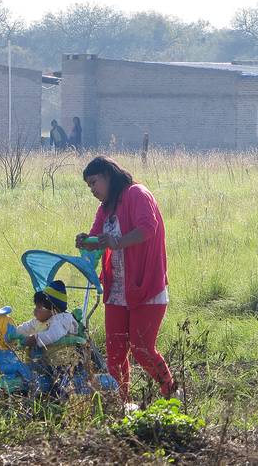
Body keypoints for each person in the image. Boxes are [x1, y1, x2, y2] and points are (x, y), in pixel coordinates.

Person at [75, 155, 178, 407]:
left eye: (94, 182)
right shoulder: (104, 209)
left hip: (146, 286)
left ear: (109, 175)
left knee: (142, 349)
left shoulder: (137, 194)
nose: (92, 190)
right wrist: (85, 240)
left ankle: (171, 392)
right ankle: (122, 405)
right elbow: (98, 239)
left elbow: (148, 227)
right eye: (88, 186)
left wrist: (117, 242)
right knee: (115, 353)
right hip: (116, 290)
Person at [16, 281, 81, 396]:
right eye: (35, 306)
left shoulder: (62, 319)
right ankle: (26, 390)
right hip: (44, 360)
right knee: (28, 370)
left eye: (39, 307)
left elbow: (53, 334)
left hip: (62, 360)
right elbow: (27, 327)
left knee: (60, 382)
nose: (35, 310)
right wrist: (13, 332)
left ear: (53, 309)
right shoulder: (40, 320)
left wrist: (35, 339)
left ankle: (58, 401)